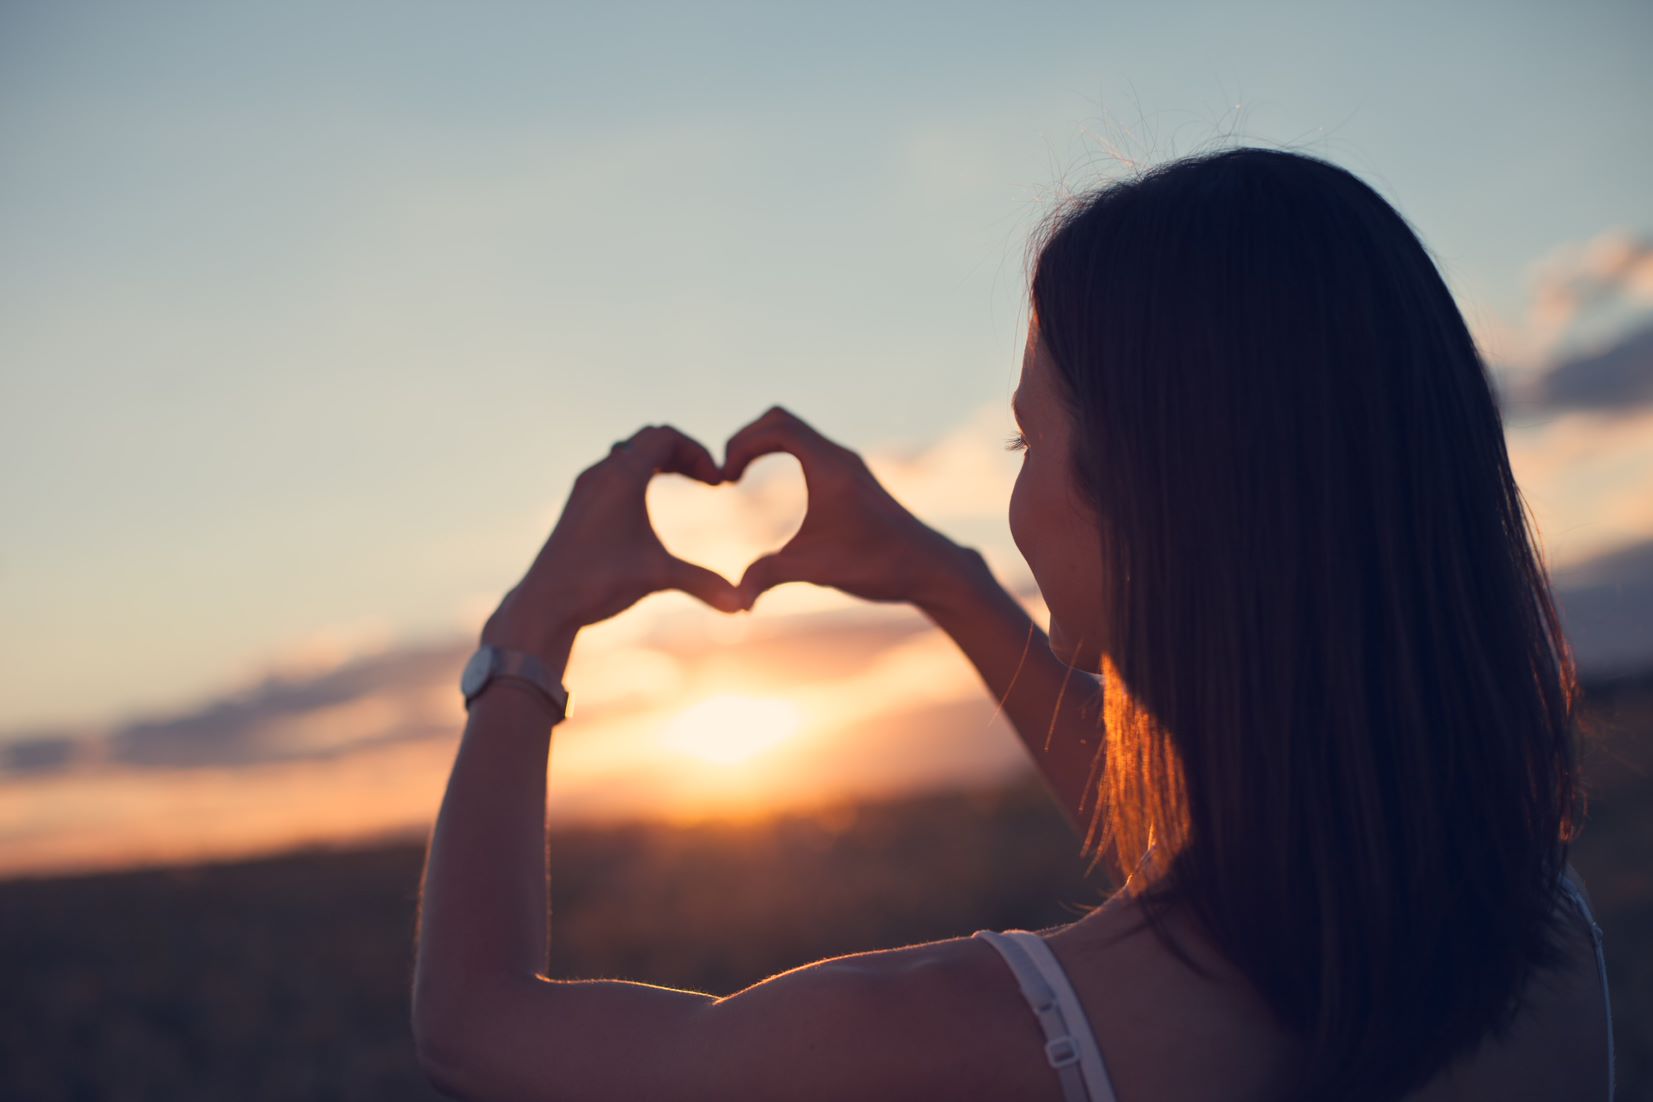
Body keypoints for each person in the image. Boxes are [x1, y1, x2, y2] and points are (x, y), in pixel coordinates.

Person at [411, 146, 1614, 1101]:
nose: (1016, 479)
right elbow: (1218, 831)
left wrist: (533, 628)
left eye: (1025, 438)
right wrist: (944, 579)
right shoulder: (1533, 930)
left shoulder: (986, 1038)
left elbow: (480, 1025)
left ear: (1159, 493)